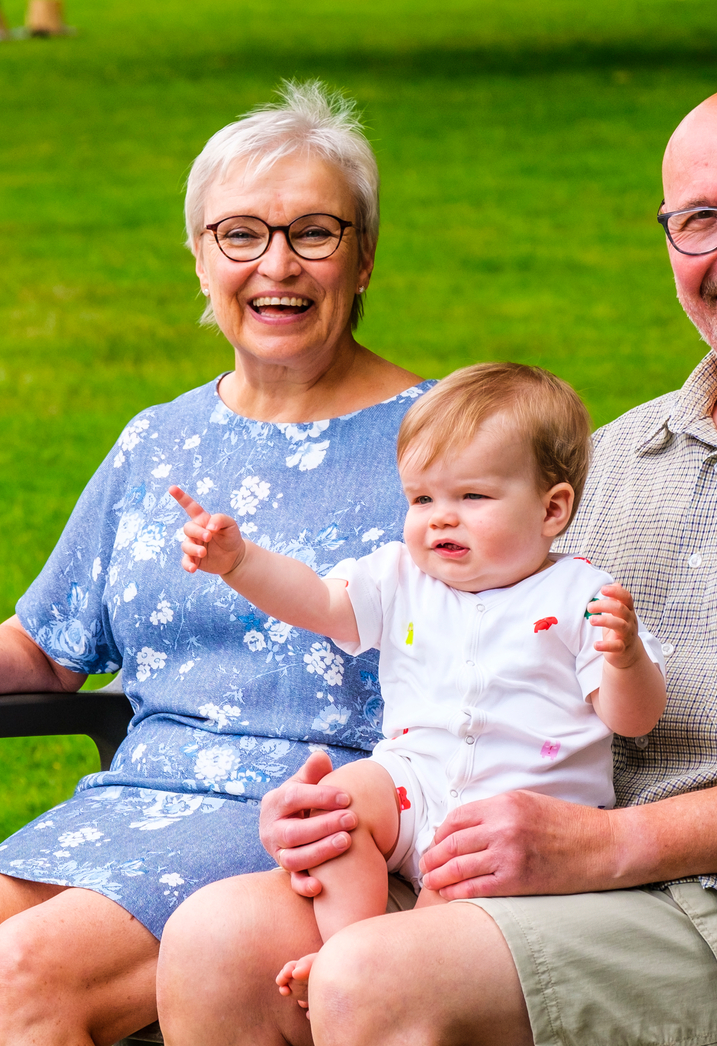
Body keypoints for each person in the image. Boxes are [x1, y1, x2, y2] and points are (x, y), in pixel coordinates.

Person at [157, 81, 717, 1046]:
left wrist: (606, 845)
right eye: (700, 222)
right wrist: (342, 812)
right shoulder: (622, 455)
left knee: (377, 979)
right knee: (215, 942)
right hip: (552, 877)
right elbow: (471, 645)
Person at [0, 81, 430, 1046]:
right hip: (140, 796)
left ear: (366, 255)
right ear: (201, 258)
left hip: (319, 814)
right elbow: (49, 643)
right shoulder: (157, 440)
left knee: (28, 966)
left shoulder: (432, 437)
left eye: (314, 232)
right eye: (242, 235)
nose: (277, 266)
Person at [170, 362, 665, 1004]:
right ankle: (351, 942)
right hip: (413, 784)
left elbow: (633, 719)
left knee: (457, 901)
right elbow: (319, 603)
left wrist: (625, 662)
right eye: (422, 499)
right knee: (337, 806)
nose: (440, 520)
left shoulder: (582, 596)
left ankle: (384, 973)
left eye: (472, 498)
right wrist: (241, 563)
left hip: (516, 818)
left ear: (552, 509)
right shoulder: (402, 574)